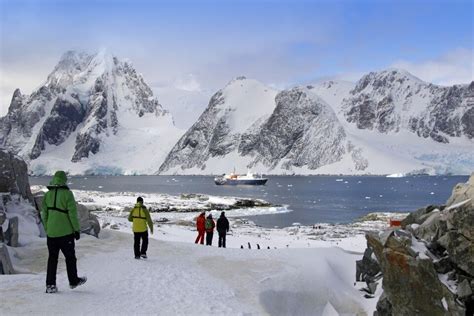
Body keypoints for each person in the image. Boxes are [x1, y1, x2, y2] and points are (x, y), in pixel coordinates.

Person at [41, 170, 87, 294]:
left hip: (51, 234)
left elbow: (43, 214)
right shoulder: (68, 194)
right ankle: (73, 281)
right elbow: (72, 214)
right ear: (64, 180)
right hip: (66, 233)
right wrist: (76, 230)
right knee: (70, 258)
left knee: (52, 259)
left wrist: (47, 228)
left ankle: (50, 285)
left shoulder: (47, 195)